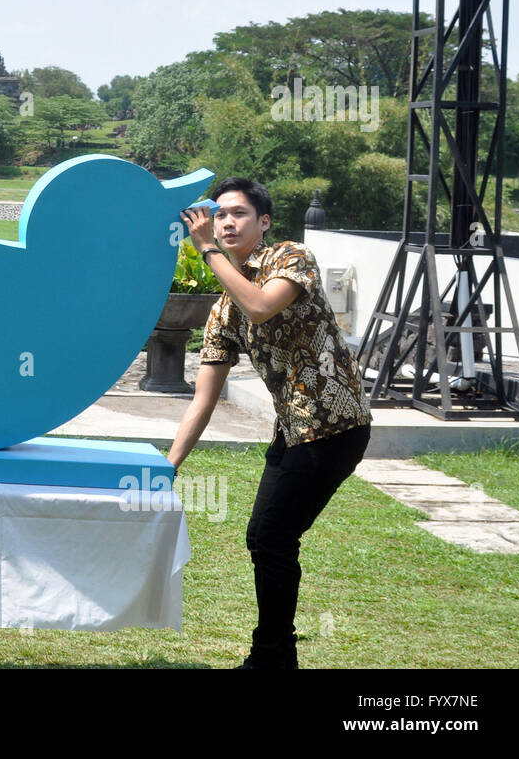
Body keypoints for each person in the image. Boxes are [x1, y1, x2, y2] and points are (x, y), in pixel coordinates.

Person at [168, 177, 371, 669]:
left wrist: (207, 250)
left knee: (273, 536)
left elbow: (260, 305)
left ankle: (272, 658)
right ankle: (274, 655)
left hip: (336, 426)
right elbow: (203, 397)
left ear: (264, 223)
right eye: (219, 215)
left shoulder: (291, 258)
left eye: (238, 213)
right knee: (264, 537)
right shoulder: (221, 313)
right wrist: (169, 465)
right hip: (293, 431)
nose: (226, 222)